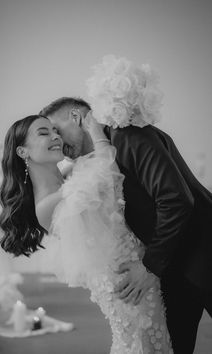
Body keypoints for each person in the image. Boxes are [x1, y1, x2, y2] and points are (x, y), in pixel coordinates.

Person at [40, 94, 212, 354]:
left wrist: (149, 267)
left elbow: (175, 200)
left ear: (76, 117)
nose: (56, 139)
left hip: (201, 253)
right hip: (170, 267)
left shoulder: (129, 136)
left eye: (56, 129)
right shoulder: (94, 161)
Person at [0, 114, 173, 353]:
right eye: (43, 132)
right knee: (142, 345)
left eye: (55, 130)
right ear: (22, 152)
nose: (56, 136)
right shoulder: (48, 204)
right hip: (127, 286)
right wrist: (94, 129)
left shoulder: (70, 177)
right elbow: (106, 173)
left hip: (141, 273)